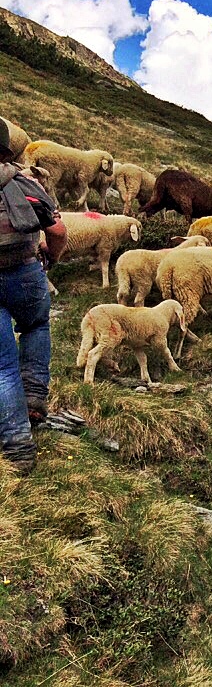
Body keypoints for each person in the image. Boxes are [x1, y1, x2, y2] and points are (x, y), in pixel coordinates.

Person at [0, 119, 67, 474]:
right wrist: (51, 257)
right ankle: (34, 396)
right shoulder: (25, 181)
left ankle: (17, 446)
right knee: (37, 324)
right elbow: (56, 229)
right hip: (25, 272)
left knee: (1, 364)